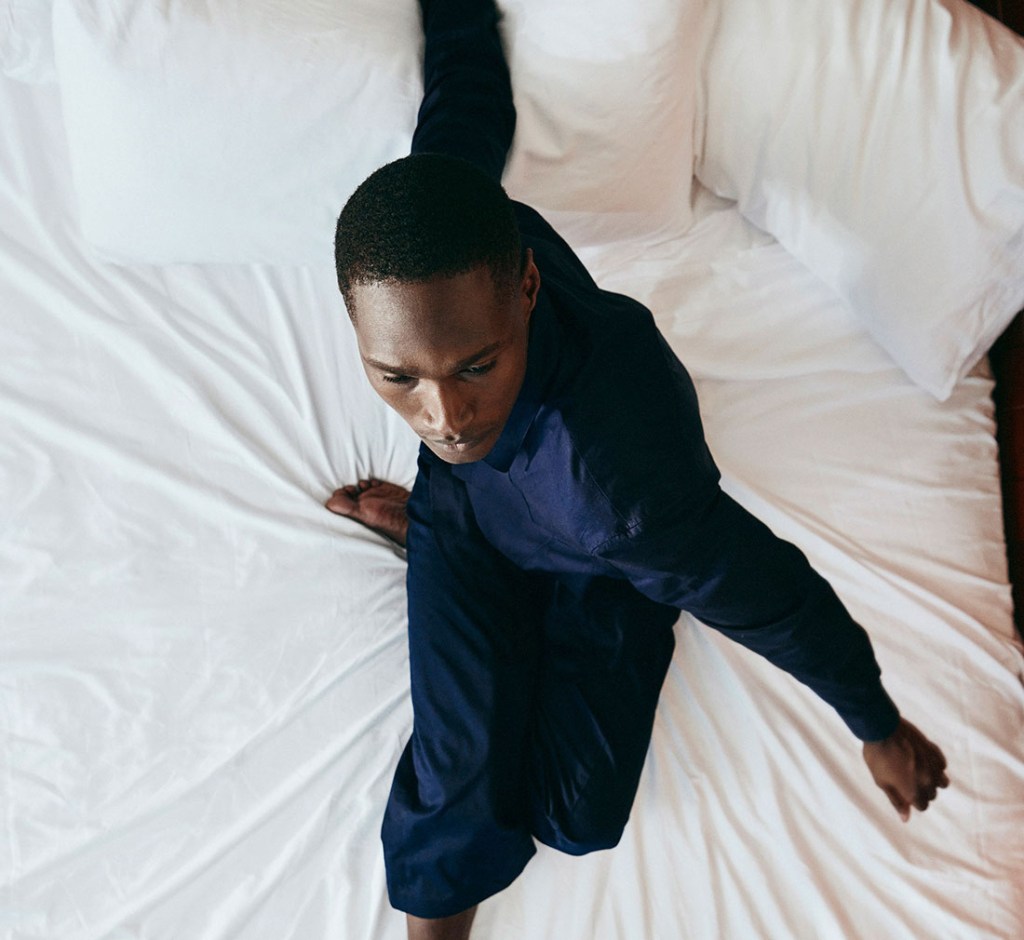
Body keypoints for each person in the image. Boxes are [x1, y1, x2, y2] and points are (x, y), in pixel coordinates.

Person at [327, 2, 950, 938]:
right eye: (396, 376)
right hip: (471, 517)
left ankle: (520, 595)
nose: (444, 416)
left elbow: (773, 595)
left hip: (601, 560)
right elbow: (464, 104)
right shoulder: (451, 223)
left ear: (526, 287)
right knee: (459, 764)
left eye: (475, 367)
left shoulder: (625, 495)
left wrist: (877, 726)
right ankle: (448, 543)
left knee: (576, 816)